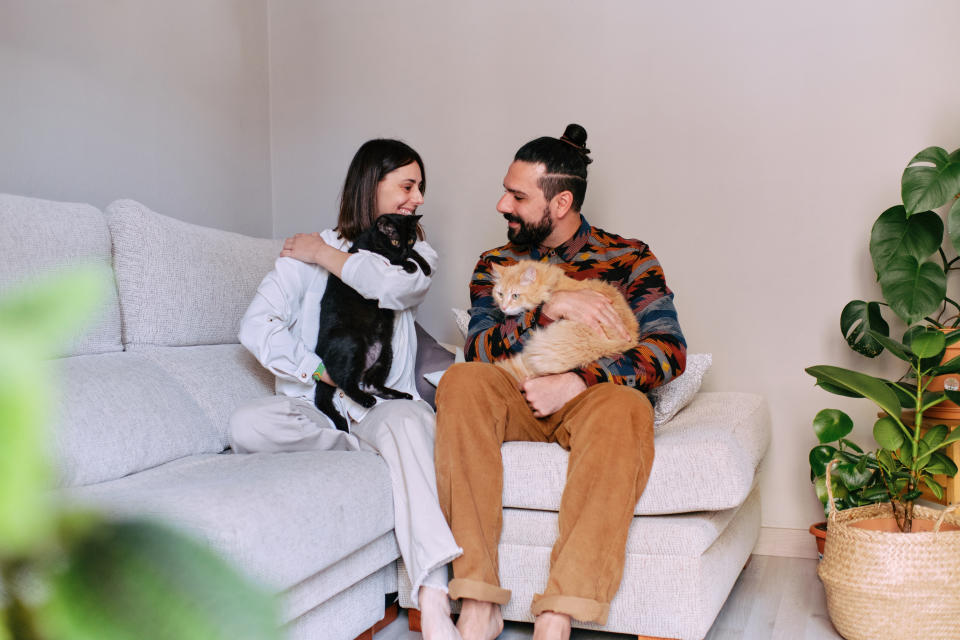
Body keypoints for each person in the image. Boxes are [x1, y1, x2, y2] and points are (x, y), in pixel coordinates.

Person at [434, 124, 687, 640]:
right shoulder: (496, 265)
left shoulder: (629, 257)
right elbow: (480, 347)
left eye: (518, 196)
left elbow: (667, 350)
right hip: (515, 392)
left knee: (628, 409)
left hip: (591, 399)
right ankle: (478, 599)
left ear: (560, 202)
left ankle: (558, 613)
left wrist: (580, 379)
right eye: (506, 189)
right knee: (461, 382)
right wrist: (548, 308)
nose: (502, 204)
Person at [229, 139, 462, 640]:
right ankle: (361, 451)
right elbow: (255, 325)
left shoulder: (415, 252)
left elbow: (392, 288)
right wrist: (319, 371)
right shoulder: (303, 254)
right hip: (320, 411)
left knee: (406, 422)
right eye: (407, 185)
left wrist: (325, 254)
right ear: (370, 185)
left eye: (420, 188)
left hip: (380, 405)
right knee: (246, 424)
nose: (417, 198)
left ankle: (434, 599)